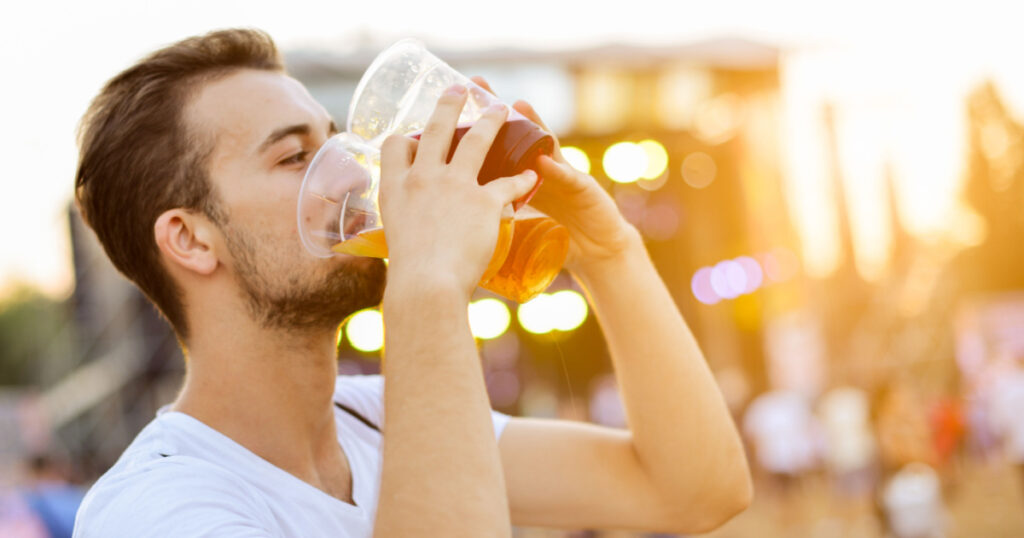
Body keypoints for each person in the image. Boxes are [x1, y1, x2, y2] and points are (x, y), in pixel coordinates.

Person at [70, 29, 751, 537]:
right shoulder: (161, 509)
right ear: (190, 239)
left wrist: (609, 252)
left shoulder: (376, 419)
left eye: (335, 141)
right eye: (295, 157)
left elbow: (693, 490)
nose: (351, 173)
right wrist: (428, 283)